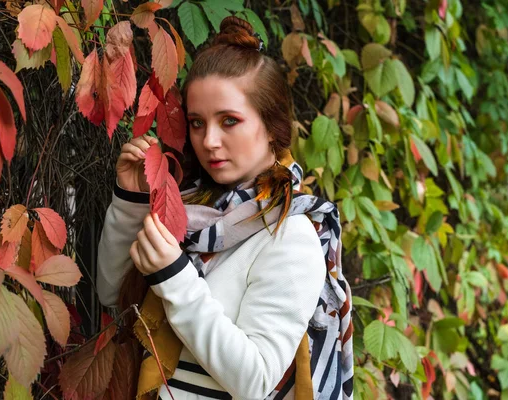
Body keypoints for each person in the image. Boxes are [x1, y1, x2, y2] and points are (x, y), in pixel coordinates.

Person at [97, 16, 353, 400]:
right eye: (197, 123)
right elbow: (111, 296)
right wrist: (131, 201)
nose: (209, 141)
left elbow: (255, 380)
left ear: (272, 128)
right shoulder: (190, 208)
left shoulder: (290, 234)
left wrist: (176, 278)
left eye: (229, 121)